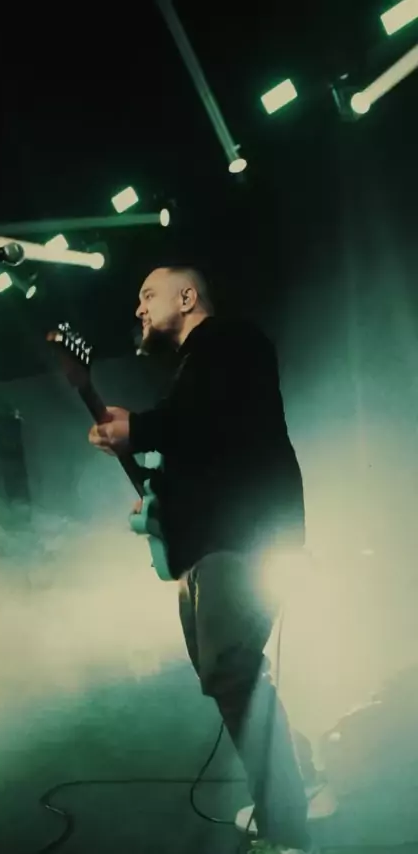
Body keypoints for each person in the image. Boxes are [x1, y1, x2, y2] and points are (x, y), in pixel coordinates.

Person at [89, 265, 311, 851]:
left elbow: (211, 419)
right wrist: (157, 497)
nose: (138, 308)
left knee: (231, 672)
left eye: (149, 295)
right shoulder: (191, 370)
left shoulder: (230, 341)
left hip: (239, 539)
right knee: (232, 677)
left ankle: (288, 830)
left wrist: (139, 429)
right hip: (212, 547)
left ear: (187, 297)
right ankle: (298, 779)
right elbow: (202, 448)